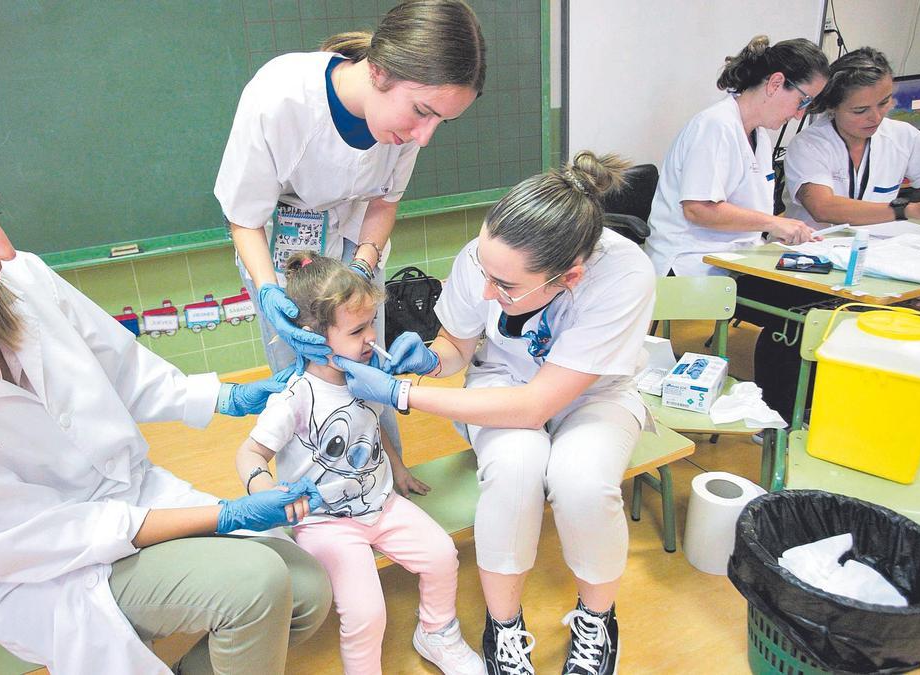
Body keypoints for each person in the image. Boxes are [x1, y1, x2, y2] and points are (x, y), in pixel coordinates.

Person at [0, 89, 333, 675]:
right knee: (250, 584)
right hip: (36, 567)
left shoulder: (23, 283)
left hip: (129, 497)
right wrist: (223, 516)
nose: (3, 247)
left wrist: (231, 396)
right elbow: (31, 534)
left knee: (306, 588)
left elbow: (125, 370)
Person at [335, 152, 656, 675]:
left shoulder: (622, 274)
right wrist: (434, 358)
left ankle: (597, 617)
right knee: (514, 469)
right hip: (502, 378)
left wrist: (404, 393)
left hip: (596, 391)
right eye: (484, 273)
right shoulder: (484, 258)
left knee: (583, 480)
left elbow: (537, 405)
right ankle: (504, 625)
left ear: (569, 277)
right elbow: (460, 346)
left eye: (504, 287)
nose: (486, 290)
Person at [214, 0, 486, 478]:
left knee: (366, 361)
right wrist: (268, 290)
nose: (425, 137)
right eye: (422, 113)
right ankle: (314, 497)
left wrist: (363, 264)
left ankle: (387, 477)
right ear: (379, 71)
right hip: (278, 253)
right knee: (306, 373)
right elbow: (244, 220)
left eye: (441, 121)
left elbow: (385, 202)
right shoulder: (281, 98)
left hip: (353, 238)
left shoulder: (404, 128)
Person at [235, 252, 482, 674]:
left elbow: (371, 423)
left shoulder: (361, 372)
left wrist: (398, 467)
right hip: (324, 521)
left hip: (380, 504)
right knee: (367, 614)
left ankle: (436, 632)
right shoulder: (296, 396)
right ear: (312, 335)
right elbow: (250, 452)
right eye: (357, 329)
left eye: (372, 323)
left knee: (442, 554)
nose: (372, 337)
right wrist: (262, 487)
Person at [643, 35, 830, 420]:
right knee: (797, 310)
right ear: (776, 83)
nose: (799, 114)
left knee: (820, 296)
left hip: (736, 257)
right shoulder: (714, 127)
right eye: (803, 101)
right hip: (692, 264)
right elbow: (698, 208)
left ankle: (801, 407)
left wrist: (777, 231)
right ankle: (776, 415)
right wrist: (772, 223)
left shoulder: (757, 134)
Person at [784, 47, 920, 229]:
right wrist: (908, 210)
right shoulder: (809, 145)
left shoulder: (902, 135)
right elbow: (823, 208)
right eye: (860, 110)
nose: (876, 117)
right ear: (832, 107)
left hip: (878, 251)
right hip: (812, 255)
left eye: (884, 103)